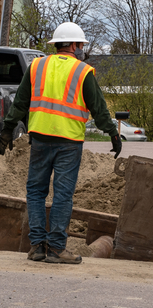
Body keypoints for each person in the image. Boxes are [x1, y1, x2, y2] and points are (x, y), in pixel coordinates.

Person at [0, 22, 121, 264]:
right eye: (80, 45)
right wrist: (112, 133)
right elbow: (98, 107)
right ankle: (56, 248)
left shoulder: (37, 66)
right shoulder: (82, 71)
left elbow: (20, 102)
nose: (81, 49)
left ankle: (36, 247)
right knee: (63, 195)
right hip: (69, 142)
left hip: (40, 138)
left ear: (56, 45)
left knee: (35, 192)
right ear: (75, 45)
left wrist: (7, 130)